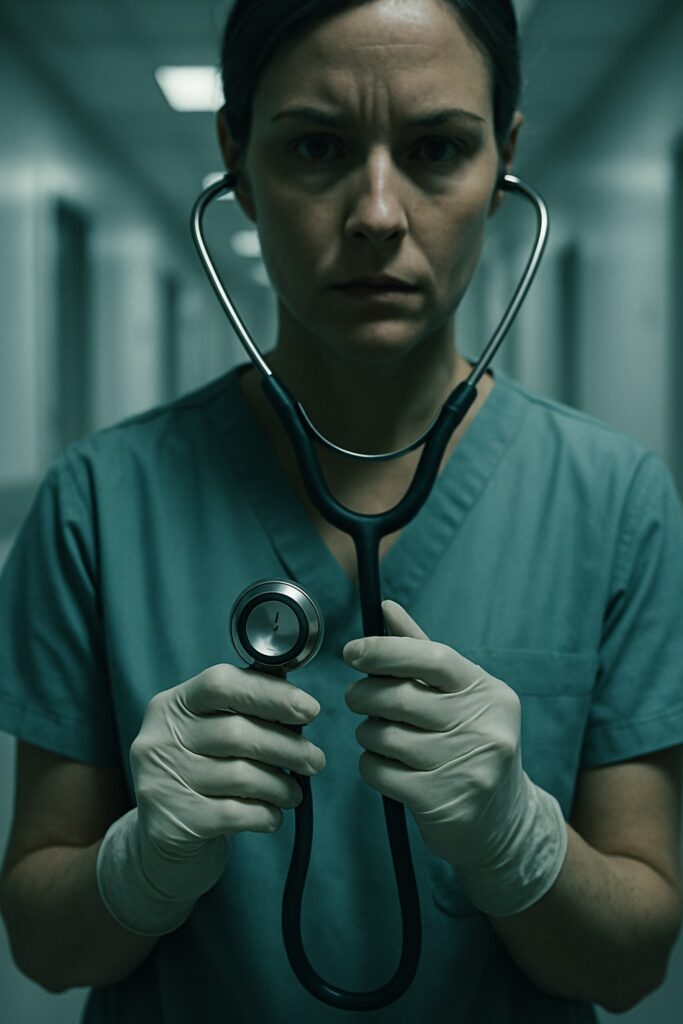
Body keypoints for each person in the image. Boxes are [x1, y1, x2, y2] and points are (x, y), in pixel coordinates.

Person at [0, 0, 682, 1020]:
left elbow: (629, 964)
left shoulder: (615, 499)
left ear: (503, 162)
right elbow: (45, 947)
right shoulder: (96, 501)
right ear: (234, 159)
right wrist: (136, 865)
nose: (374, 212)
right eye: (316, 145)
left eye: (437, 148)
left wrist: (518, 843)